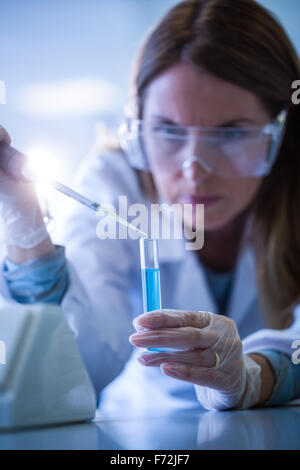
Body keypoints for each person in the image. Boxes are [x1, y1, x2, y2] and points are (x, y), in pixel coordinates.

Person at [1, 0, 300, 413]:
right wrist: (27, 232)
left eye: (230, 133)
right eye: (169, 131)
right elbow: (73, 370)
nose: (195, 172)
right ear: (139, 131)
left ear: (280, 134)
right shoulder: (114, 183)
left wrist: (255, 376)